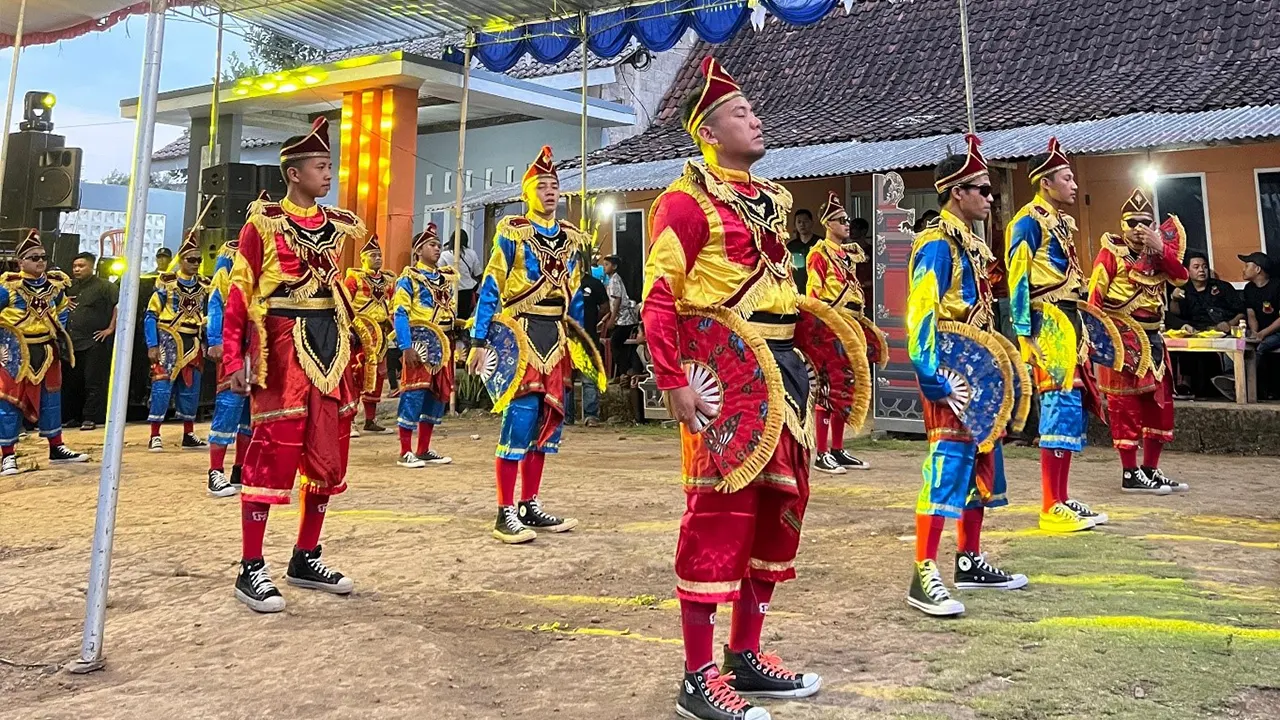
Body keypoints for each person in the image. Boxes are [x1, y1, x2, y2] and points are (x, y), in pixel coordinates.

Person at [644, 57, 822, 720]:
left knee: (779, 516)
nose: (757, 117)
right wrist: (670, 379)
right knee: (720, 518)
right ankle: (697, 673)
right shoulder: (684, 203)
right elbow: (660, 295)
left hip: (786, 379)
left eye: (754, 109)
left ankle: (745, 654)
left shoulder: (772, 201)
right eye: (743, 112)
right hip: (727, 384)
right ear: (710, 132)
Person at [221, 117, 365, 613]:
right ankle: (250, 566)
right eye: (320, 167)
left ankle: (306, 555)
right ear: (293, 173)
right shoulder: (261, 224)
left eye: (330, 167)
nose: (329, 175)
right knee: (273, 451)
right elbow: (240, 290)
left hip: (331, 345)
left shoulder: (339, 224)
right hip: (281, 348)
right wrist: (235, 355)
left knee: (328, 453)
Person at [906, 135, 1028, 618]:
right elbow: (920, 309)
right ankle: (922, 572)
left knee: (981, 462)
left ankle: (969, 559)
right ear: (957, 192)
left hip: (979, 373)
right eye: (983, 189)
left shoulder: (971, 246)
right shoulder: (937, 243)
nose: (991, 198)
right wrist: (929, 370)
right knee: (947, 466)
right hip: (952, 372)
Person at [467, 145, 604, 545]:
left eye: (555, 186)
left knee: (548, 423)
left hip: (556, 337)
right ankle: (504, 511)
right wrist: (479, 339)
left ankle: (529, 503)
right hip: (522, 335)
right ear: (527, 193)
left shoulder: (572, 239)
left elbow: (576, 297)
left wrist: (579, 343)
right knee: (521, 419)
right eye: (542, 186)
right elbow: (491, 286)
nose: (550, 192)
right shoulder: (513, 232)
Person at [1005, 138, 1100, 533]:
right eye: (1067, 177)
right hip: (1047, 320)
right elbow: (1017, 278)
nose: (1074, 185)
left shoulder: (1060, 221)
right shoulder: (1027, 222)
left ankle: (1061, 497)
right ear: (1046, 182)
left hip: (1069, 319)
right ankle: (1049, 504)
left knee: (1070, 409)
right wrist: (1024, 332)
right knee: (1058, 407)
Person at [1087, 188, 1190, 495]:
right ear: (1123, 225)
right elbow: (1094, 299)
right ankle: (1130, 472)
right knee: (1125, 407)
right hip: (1122, 340)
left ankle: (1151, 469)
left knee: (1159, 405)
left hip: (1154, 338)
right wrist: (1095, 343)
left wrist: (1162, 250)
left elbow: (1181, 278)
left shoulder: (1157, 254)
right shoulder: (1110, 254)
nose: (1138, 229)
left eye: (1145, 222)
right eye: (1132, 222)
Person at [0, 230, 91, 476]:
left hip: (47, 349)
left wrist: (56, 326)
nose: (40, 261)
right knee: (9, 401)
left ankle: (56, 447)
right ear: (21, 262)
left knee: (52, 401)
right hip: (16, 352)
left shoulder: (54, 285)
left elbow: (62, 307)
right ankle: (7, 455)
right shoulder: (8, 287)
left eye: (43, 257)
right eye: (34, 257)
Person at [806, 191, 875, 473]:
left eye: (847, 220)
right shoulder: (818, 254)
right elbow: (813, 294)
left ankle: (838, 448)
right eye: (841, 220)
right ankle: (822, 453)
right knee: (828, 389)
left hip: (851, 324)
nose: (847, 224)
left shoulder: (846, 255)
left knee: (845, 389)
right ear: (828, 224)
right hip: (831, 326)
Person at [392, 223, 456, 468]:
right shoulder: (409, 278)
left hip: (444, 343)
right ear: (418, 251)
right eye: (432, 245)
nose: (437, 249)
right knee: (415, 393)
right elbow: (400, 313)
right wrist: (405, 345)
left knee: (436, 395)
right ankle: (405, 450)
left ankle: (424, 449)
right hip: (420, 344)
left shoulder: (445, 278)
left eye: (439, 245)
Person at [206, 208, 257, 499]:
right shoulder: (230, 255)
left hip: (259, 343)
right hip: (234, 341)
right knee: (229, 405)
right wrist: (216, 338)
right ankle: (216, 471)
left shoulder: (272, 253)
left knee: (252, 411)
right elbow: (216, 300)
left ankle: (242, 467)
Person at [144, 231, 209, 453]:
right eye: (191, 260)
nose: (196, 264)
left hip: (194, 340)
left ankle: (189, 433)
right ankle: (155, 434)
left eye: (198, 260)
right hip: (168, 338)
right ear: (181, 260)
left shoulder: (204, 285)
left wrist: (209, 341)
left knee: (191, 388)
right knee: (162, 385)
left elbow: (208, 313)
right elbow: (151, 314)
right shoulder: (166, 283)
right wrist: (152, 343)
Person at [1168, 252, 1242, 399]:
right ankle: (1185, 386)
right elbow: (1175, 314)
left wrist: (1229, 323)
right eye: (1196, 267)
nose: (1202, 270)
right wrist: (1174, 299)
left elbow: (1241, 313)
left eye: (1204, 267)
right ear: (1187, 271)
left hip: (1223, 331)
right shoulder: (1184, 290)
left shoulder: (1222, 287)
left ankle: (1229, 381)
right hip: (1196, 332)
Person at [345, 233, 397, 435]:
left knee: (378, 375)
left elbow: (392, 304)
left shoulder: (388, 280)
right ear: (363, 258)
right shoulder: (354, 279)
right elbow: (345, 304)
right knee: (357, 373)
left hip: (381, 334)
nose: (378, 258)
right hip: (359, 333)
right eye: (373, 255)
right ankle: (350, 421)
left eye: (379, 255)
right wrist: (348, 328)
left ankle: (370, 419)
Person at [63, 251, 118, 431]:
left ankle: (90, 417)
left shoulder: (105, 286)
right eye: (75, 266)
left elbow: (119, 305)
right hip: (72, 343)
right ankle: (74, 416)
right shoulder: (70, 287)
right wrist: (63, 302)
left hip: (93, 341)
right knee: (74, 381)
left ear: (91, 266)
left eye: (81, 266)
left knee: (92, 380)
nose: (77, 269)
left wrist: (110, 329)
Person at [566, 261, 610, 426]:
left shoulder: (593, 283)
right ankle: (566, 416)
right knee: (566, 379)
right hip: (566, 340)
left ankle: (591, 415)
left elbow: (605, 307)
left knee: (589, 379)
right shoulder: (561, 283)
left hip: (588, 339)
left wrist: (593, 320)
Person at [1240, 252, 1280, 399]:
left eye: (1246, 266)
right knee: (1241, 344)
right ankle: (1233, 379)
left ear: (1258, 269)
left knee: (1261, 347)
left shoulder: (1277, 286)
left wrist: (1263, 334)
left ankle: (1253, 388)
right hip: (1261, 332)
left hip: (1276, 332)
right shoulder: (1249, 289)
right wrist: (1254, 333)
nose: (1243, 270)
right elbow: (1251, 315)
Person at [602, 254, 643, 383]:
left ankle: (624, 372)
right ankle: (622, 372)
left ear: (614, 267)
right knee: (618, 344)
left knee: (615, 343)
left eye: (607, 265)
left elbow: (617, 300)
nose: (604, 267)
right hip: (621, 317)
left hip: (624, 319)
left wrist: (612, 319)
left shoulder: (614, 280)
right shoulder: (613, 279)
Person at [440, 229, 483, 320]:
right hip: (467, 291)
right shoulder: (472, 253)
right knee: (464, 320)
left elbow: (439, 272)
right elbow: (478, 273)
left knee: (451, 318)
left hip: (450, 292)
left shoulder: (445, 254)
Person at [787, 208, 820, 293]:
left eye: (805, 221)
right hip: (797, 290)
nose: (802, 224)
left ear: (812, 223)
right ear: (795, 225)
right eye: (799, 222)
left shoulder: (820, 243)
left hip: (817, 290)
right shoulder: (791, 246)